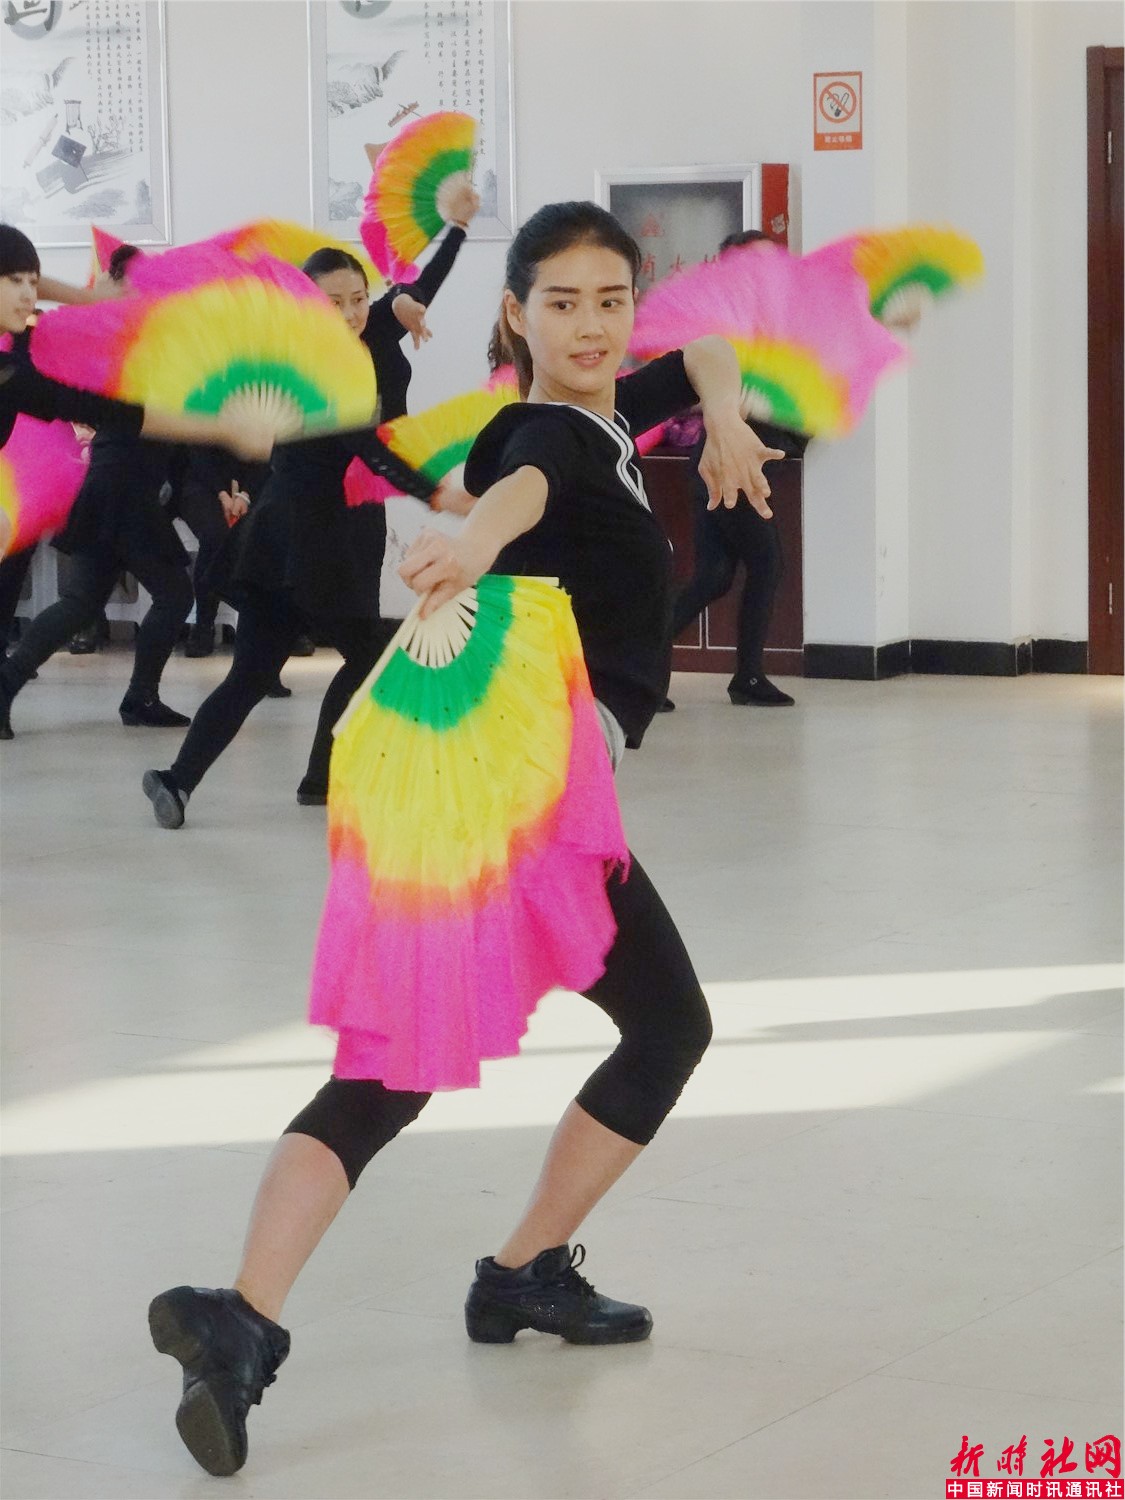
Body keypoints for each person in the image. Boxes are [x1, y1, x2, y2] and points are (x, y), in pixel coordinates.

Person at [146, 200, 783, 1478]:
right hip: (534, 797)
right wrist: (471, 539)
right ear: (515, 314)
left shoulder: (609, 413)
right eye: (563, 303)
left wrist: (719, 412)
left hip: (511, 785)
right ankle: (506, 1276)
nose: (592, 326)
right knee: (663, 1028)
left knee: (398, 1063)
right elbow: (519, 494)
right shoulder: (548, 435)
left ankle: (251, 1315)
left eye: (613, 301)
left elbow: (711, 348)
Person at [140, 245, 470, 830]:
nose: (349, 313)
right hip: (318, 532)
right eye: (332, 303)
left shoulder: (364, 336)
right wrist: (438, 494)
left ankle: (177, 780)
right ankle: (320, 777)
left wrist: (456, 231)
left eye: (358, 299)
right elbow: (366, 445)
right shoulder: (313, 365)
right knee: (372, 656)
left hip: (309, 528)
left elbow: (419, 289)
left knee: (254, 670)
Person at [0, 225, 275, 740]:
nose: (28, 293)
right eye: (16, 280)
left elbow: (171, 440)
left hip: (114, 488)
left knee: (82, 603)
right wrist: (227, 429)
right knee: (171, 593)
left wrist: (82, 295)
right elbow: (116, 413)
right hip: (121, 489)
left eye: (31, 281)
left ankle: (13, 685)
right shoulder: (123, 347)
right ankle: (138, 696)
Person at [661, 230, 807, 712]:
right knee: (766, 563)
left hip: (729, 461)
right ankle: (747, 677)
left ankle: (637, 669)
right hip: (726, 462)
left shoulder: (771, 326)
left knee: (715, 575)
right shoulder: (726, 330)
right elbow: (707, 395)